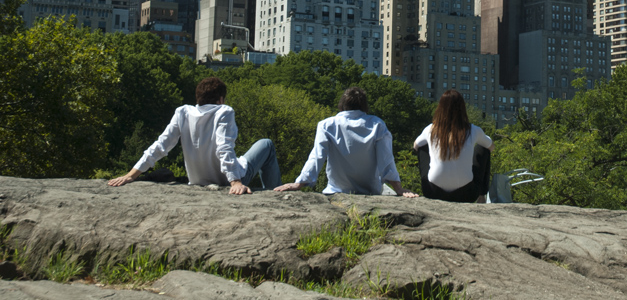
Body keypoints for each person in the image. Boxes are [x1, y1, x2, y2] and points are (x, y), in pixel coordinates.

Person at [108, 77, 281, 195]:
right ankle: (274, 192)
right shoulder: (224, 111)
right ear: (221, 99)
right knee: (266, 144)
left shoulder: (183, 112)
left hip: (197, 180)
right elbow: (224, 148)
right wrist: (235, 182)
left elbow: (161, 145)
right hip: (227, 178)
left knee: (245, 156)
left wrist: (131, 175)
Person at [274, 86, 415, 196]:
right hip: (370, 191)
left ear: (342, 105)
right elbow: (386, 160)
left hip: (336, 191)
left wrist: (299, 183)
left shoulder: (327, 124)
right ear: (364, 106)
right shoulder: (377, 124)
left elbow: (317, 156)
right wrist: (399, 188)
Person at [414, 89, 493, 203]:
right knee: (483, 147)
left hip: (432, 192)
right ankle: (481, 195)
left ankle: (431, 180)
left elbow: (416, 146)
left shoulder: (431, 129)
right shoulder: (473, 130)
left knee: (422, 146)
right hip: (467, 195)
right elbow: (491, 147)